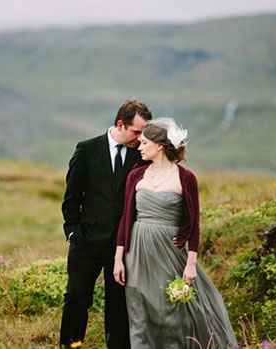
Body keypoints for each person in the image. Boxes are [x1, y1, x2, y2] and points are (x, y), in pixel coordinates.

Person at [114, 118, 238, 349]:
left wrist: (191, 264)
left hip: (170, 252)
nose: (139, 147)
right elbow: (126, 218)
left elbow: (193, 224)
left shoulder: (186, 178)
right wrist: (118, 258)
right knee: (139, 310)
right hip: (138, 252)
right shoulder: (136, 175)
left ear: (159, 145)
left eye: (144, 143)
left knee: (172, 310)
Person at [60, 99, 152, 349]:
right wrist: (73, 233)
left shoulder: (142, 154)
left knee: (118, 305)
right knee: (77, 298)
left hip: (123, 245)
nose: (141, 137)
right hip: (86, 242)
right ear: (120, 124)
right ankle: (70, 344)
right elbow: (71, 198)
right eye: (137, 131)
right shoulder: (87, 150)